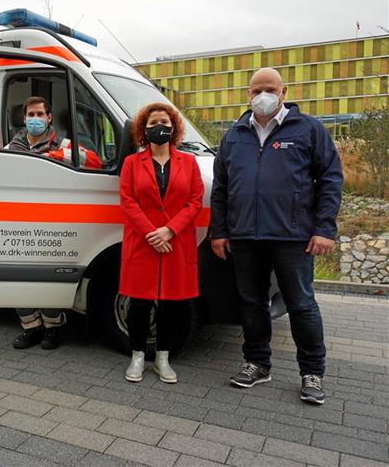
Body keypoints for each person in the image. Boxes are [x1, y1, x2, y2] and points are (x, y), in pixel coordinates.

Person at [211, 68, 343, 405]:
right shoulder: (234, 135)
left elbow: (331, 179)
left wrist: (324, 228)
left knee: (301, 304)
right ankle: (257, 363)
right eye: (257, 90)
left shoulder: (308, 129)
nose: (263, 96)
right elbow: (222, 189)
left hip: (292, 237)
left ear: (284, 92)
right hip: (244, 237)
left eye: (270, 89)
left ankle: (312, 373)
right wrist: (220, 231)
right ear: (248, 94)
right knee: (252, 303)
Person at [6, 96, 101, 349]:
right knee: (18, 279)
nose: (35, 119)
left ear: (49, 117)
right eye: (30, 115)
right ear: (23, 118)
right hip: (20, 222)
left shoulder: (65, 143)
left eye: (40, 114)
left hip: (51, 221)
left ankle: (52, 328)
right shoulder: (11, 147)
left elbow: (95, 162)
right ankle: (31, 328)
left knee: (47, 278)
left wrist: (58, 155)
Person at [118, 102, 203, 383]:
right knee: (140, 304)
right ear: (144, 129)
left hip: (175, 242)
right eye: (154, 122)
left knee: (172, 305)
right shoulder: (132, 162)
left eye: (165, 122)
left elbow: (194, 202)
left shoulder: (189, 162)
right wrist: (151, 233)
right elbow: (128, 202)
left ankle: (163, 359)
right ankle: (138, 357)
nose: (160, 127)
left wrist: (169, 230)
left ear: (174, 127)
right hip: (143, 242)